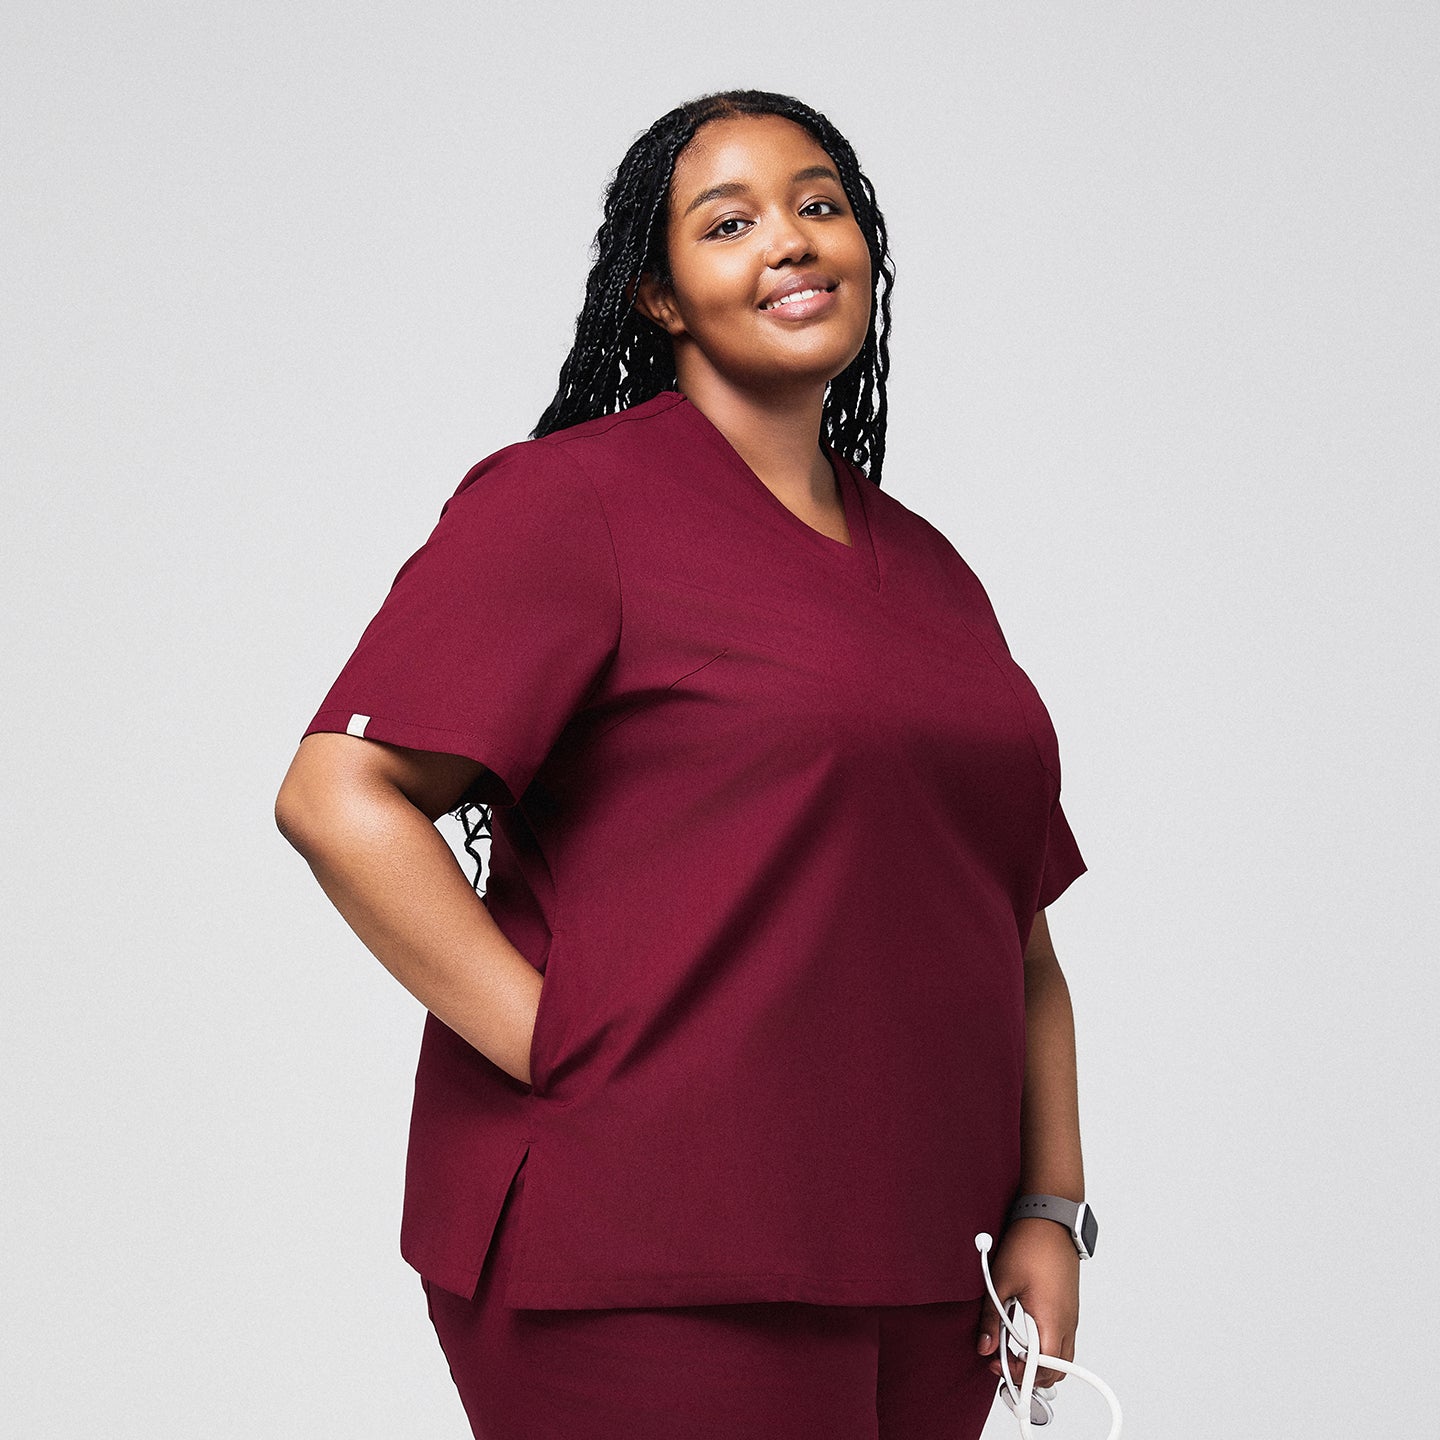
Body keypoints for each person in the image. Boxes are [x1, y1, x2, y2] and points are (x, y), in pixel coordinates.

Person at [275, 87, 1095, 1440]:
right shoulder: (571, 505)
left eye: (820, 205)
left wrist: (1048, 1209)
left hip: (915, 1267)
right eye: (731, 222)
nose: (790, 239)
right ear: (659, 297)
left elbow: (1019, 938)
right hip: (644, 1257)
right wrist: (578, 1048)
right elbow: (336, 794)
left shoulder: (936, 575)